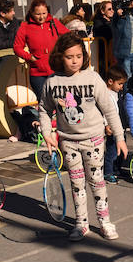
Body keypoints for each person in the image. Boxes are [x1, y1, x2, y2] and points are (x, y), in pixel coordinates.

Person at [39, 32, 127, 241]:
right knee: (77, 184)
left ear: (84, 56)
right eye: (70, 57)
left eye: (78, 56)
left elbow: (110, 110)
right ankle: (81, 223)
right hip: (68, 142)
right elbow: (44, 109)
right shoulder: (52, 82)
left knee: (97, 181)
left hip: (94, 140)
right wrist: (46, 132)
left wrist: (120, 137)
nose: (74, 61)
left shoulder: (93, 78)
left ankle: (104, 221)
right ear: (60, 56)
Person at [13, 0, 68, 102]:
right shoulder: (25, 26)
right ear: (32, 13)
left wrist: (64, 53)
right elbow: (17, 48)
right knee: (44, 102)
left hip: (57, 68)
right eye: (38, 14)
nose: (41, 17)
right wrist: (30, 57)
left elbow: (69, 36)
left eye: (44, 13)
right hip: (37, 72)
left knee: (62, 101)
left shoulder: (54, 22)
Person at [103, 65, 127, 184]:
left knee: (120, 151)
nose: (121, 87)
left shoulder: (115, 92)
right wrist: (106, 125)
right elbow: (104, 111)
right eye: (120, 84)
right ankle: (108, 172)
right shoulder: (105, 94)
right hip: (111, 127)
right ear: (110, 81)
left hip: (118, 127)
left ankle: (117, 169)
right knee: (112, 152)